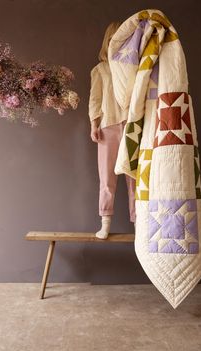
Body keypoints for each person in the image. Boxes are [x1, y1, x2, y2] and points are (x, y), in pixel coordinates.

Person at [88, 22, 136, 240]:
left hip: (131, 125)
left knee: (134, 177)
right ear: (108, 41)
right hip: (108, 126)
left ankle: (139, 224)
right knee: (107, 178)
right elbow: (95, 99)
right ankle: (105, 221)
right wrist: (94, 124)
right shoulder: (100, 70)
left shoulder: (132, 67)